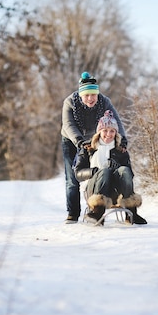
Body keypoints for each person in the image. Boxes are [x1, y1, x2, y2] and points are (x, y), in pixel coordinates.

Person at [60, 72, 127, 224]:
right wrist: (79, 141)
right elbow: (68, 125)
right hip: (71, 140)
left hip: (94, 139)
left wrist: (122, 140)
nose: (90, 98)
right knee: (72, 177)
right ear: (81, 95)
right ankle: (73, 213)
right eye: (87, 95)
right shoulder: (70, 102)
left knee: (97, 170)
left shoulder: (104, 102)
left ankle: (96, 207)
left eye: (93, 95)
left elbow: (117, 121)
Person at [74, 110, 147, 225]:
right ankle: (97, 212)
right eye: (105, 130)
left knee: (124, 170)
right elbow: (78, 173)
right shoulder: (89, 148)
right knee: (105, 171)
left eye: (112, 131)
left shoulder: (120, 150)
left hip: (115, 192)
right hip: (93, 190)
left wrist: (117, 168)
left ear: (116, 133)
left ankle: (131, 212)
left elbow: (130, 175)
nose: (109, 134)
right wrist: (94, 171)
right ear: (99, 132)